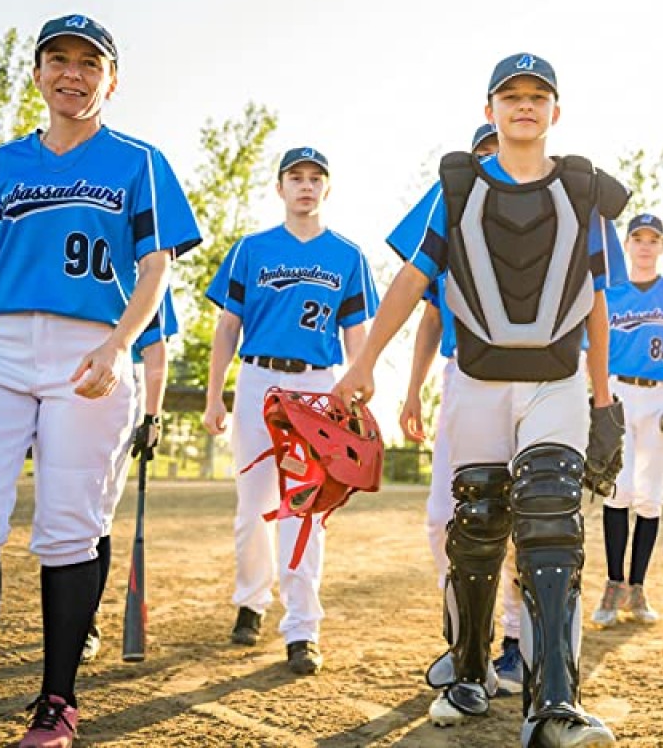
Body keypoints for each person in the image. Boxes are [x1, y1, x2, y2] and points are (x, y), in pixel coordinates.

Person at [0, 14, 201, 748]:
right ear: (38, 74)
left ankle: (57, 704)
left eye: (90, 63)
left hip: (90, 348)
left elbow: (158, 266)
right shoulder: (3, 166)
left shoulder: (138, 161)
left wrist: (119, 344)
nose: (73, 73)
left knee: (70, 528)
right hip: (0, 346)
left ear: (112, 79)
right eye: (58, 60)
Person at [334, 53, 629, 747]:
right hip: (475, 379)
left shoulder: (586, 191)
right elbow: (412, 280)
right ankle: (467, 675)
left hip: (556, 378)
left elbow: (597, 304)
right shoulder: (457, 187)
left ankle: (554, 703)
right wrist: (365, 362)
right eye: (511, 96)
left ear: (556, 111)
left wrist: (604, 401)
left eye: (538, 96)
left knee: (553, 523)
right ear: (490, 109)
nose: (524, 106)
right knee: (478, 522)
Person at [202, 146, 379, 675]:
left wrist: (358, 381)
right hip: (258, 379)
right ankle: (250, 602)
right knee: (253, 507)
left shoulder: (347, 255)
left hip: (316, 389)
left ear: (328, 188)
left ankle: (302, 628)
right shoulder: (250, 250)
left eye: (315, 177)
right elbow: (227, 328)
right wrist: (216, 395)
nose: (305, 185)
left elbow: (356, 333)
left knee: (305, 511)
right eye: (295, 177)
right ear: (279, 188)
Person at [395, 123, 523, 695]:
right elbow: (426, 309)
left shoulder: (537, 201)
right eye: (485, 155)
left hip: (531, 374)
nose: (495, 164)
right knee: (444, 519)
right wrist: (412, 388)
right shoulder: (453, 202)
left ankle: (518, 643)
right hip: (462, 373)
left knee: (524, 522)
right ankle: (468, 641)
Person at [592, 213, 663, 628]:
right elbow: (593, 351)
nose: (646, 245)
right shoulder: (611, 295)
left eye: (654, 239)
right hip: (618, 394)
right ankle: (614, 584)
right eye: (638, 238)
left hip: (660, 399)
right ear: (629, 245)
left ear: (662, 247)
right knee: (618, 490)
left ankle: (637, 588)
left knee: (650, 497)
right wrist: (595, 400)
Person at [81, 291, 178, 664]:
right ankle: (73, 616)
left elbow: (155, 348)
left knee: (95, 511)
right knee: (60, 509)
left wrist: (152, 415)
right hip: (54, 371)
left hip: (119, 382)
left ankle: (84, 621)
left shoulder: (148, 273)